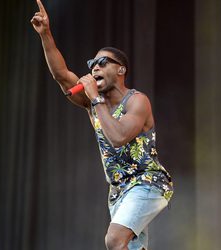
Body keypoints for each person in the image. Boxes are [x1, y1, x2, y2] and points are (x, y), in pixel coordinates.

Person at [31, 1, 174, 249]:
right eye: (91, 64)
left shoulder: (137, 101)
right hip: (119, 192)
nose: (94, 67)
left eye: (102, 62)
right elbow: (62, 75)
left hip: (148, 183)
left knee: (114, 240)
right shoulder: (94, 103)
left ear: (121, 69)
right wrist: (46, 34)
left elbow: (118, 137)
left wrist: (95, 99)